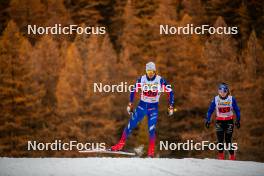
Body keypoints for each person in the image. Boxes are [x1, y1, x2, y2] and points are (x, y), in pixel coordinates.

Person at [111, 62, 175, 157]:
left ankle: (151, 152)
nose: (150, 74)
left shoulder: (160, 80)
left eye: (152, 71)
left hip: (153, 108)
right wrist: (130, 103)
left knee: (151, 130)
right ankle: (119, 145)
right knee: (130, 125)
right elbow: (134, 90)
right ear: (146, 71)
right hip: (141, 107)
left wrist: (171, 106)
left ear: (155, 71)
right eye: (148, 71)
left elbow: (170, 92)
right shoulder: (141, 79)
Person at [205, 83, 241, 160]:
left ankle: (232, 156)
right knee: (220, 140)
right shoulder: (216, 99)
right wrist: (207, 120)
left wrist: (238, 120)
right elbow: (210, 110)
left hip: (229, 121)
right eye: (220, 92)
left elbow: (237, 110)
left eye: (224, 92)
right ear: (218, 92)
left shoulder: (231, 99)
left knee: (228, 140)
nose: (222, 94)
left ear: (227, 92)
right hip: (220, 121)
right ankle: (220, 156)